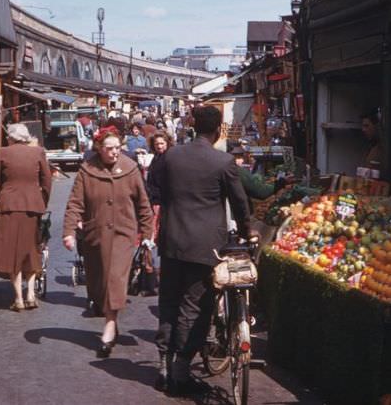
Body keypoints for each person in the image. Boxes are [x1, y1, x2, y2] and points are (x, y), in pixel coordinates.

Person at [153, 106, 253, 396]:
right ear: (219, 129)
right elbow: (240, 204)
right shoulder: (223, 162)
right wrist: (248, 232)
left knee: (169, 302)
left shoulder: (171, 156)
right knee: (194, 307)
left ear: (194, 127)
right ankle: (181, 372)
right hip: (205, 246)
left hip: (171, 241)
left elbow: (157, 188)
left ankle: (163, 364)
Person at [62, 127, 153, 358]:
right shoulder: (87, 170)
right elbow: (75, 203)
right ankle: (109, 315)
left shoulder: (131, 169)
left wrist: (147, 234)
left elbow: (143, 204)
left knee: (115, 278)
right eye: (109, 148)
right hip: (96, 235)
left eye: (117, 148)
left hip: (124, 234)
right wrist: (69, 232)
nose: (114, 152)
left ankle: (109, 327)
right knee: (99, 283)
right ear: (99, 149)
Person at [0, 123, 52, 311]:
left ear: (11, 137)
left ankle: (18, 298)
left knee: (13, 252)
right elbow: (47, 181)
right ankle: (31, 294)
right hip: (32, 207)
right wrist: (41, 201)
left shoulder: (2, 152)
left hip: (8, 206)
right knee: (31, 250)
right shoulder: (38, 152)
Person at [142, 130, 172, 296]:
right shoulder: (155, 160)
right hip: (155, 203)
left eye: (162, 144)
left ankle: (160, 275)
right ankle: (150, 273)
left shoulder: (169, 160)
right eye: (157, 145)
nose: (159, 147)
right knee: (150, 238)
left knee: (161, 239)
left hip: (164, 204)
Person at [359, 110, 383, 178]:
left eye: (367, 126)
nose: (363, 129)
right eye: (363, 126)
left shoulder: (381, 149)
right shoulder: (372, 147)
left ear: (377, 126)